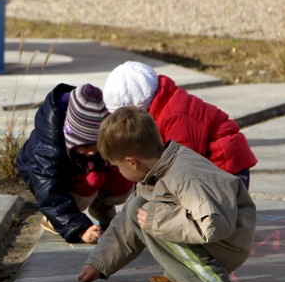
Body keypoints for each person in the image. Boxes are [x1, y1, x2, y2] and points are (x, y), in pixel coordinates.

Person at [78, 107, 256, 282]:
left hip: (228, 244)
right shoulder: (157, 170)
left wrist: (159, 220)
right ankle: (180, 272)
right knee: (137, 208)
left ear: (132, 162)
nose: (119, 172)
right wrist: (99, 263)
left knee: (147, 213)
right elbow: (126, 224)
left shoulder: (184, 175)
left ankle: (208, 278)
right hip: (217, 242)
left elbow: (214, 225)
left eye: (117, 167)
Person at [102, 61, 256, 188]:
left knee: (222, 216)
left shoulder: (175, 117)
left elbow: (184, 165)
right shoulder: (163, 105)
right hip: (210, 164)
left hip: (226, 166)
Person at [15, 83, 134, 244]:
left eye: (97, 146)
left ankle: (101, 207)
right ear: (70, 134)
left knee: (123, 178)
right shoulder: (46, 148)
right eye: (86, 146)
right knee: (90, 181)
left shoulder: (90, 114)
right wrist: (79, 228)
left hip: (76, 165)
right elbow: (49, 190)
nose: (92, 152)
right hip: (51, 178)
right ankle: (54, 221)